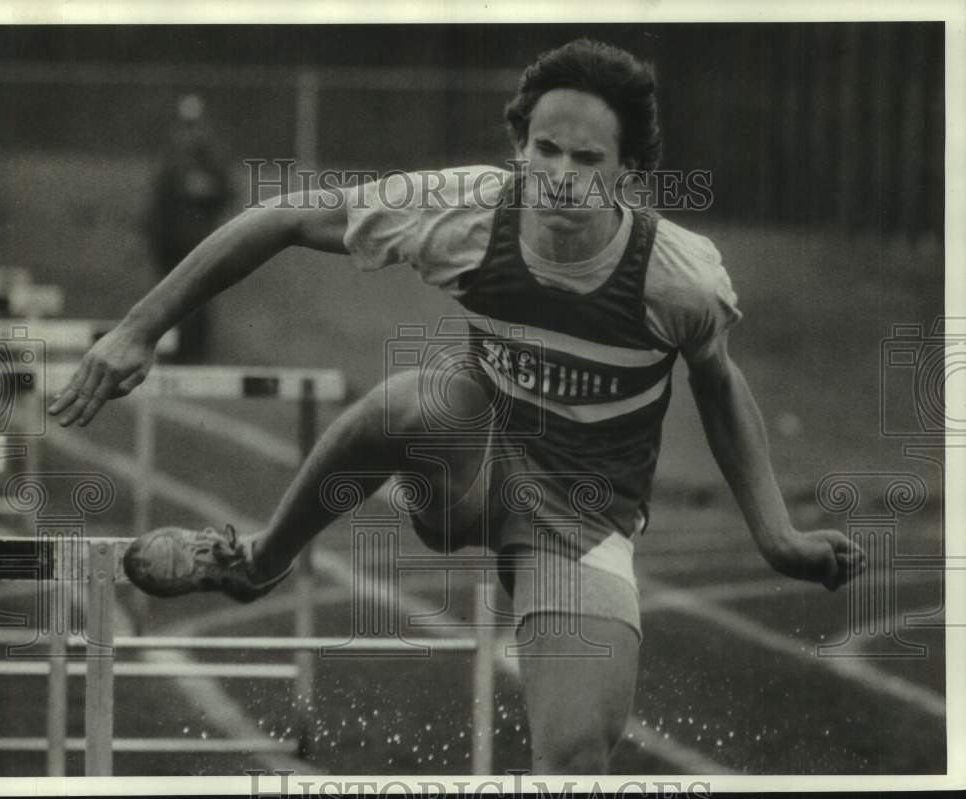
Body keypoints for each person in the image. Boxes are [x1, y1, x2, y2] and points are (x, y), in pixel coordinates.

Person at [48, 39, 866, 774]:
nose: (562, 176)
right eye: (545, 148)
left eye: (588, 158)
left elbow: (719, 384)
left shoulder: (677, 277)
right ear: (519, 146)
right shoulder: (468, 210)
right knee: (420, 398)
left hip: (580, 518)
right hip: (469, 466)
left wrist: (776, 533)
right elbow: (286, 215)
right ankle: (261, 560)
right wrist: (139, 328)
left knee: (576, 755)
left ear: (629, 174)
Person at [144, 94, 231, 363]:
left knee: (196, 295)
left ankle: (194, 351)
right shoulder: (172, 151)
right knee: (168, 293)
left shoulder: (210, 151)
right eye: (185, 123)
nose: (189, 129)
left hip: (196, 237)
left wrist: (204, 190)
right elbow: (160, 194)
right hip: (169, 236)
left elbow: (226, 189)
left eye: (193, 123)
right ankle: (174, 348)